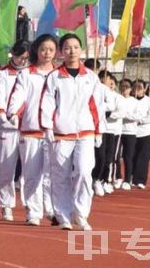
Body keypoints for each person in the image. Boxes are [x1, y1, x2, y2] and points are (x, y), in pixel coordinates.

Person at [39, 33, 101, 231]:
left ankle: (81, 214)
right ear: (61, 52)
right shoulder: (54, 76)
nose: (71, 51)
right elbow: (47, 102)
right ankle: (63, 215)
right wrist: (47, 126)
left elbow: (96, 105)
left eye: (75, 47)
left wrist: (99, 131)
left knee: (84, 172)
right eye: (67, 48)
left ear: (81, 49)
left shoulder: (90, 77)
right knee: (61, 176)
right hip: (61, 133)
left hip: (85, 132)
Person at [6, 34, 57, 226]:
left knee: (51, 174)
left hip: (53, 131)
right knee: (31, 174)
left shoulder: (59, 74)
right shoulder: (27, 74)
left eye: (51, 50)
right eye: (43, 49)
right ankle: (34, 211)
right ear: (36, 50)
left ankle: (52, 209)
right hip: (30, 130)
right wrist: (12, 111)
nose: (47, 53)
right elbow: (18, 95)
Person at [0, 40, 30, 222]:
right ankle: (6, 204)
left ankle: (30, 205)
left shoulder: (32, 73)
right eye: (19, 57)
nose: (22, 61)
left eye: (25, 58)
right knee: (6, 168)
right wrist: (1, 112)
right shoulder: (2, 73)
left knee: (29, 170)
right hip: (7, 127)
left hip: (27, 127)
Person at [131, 79, 150, 189]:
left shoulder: (149, 102)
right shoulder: (130, 100)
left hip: (145, 133)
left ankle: (141, 180)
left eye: (140, 88)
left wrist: (140, 120)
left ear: (145, 89)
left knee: (143, 158)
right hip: (131, 132)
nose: (137, 91)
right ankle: (130, 177)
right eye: (135, 88)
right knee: (131, 157)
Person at [117, 79, 138, 190]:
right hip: (118, 131)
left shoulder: (135, 102)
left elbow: (138, 116)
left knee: (128, 157)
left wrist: (125, 115)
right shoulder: (117, 98)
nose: (124, 89)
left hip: (130, 132)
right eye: (122, 87)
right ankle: (117, 177)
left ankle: (127, 179)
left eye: (127, 87)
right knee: (115, 156)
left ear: (130, 89)